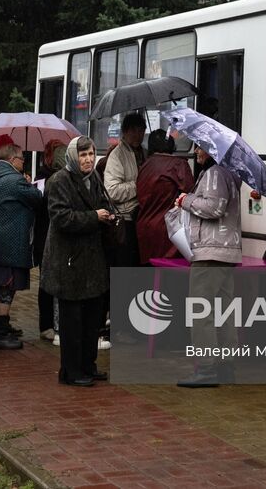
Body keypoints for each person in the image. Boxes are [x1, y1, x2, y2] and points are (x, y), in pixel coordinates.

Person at [41, 136, 114, 386]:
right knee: (73, 321)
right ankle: (71, 372)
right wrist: (94, 217)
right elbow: (61, 218)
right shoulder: (60, 180)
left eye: (91, 154)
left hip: (91, 260)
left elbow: (102, 205)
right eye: (83, 155)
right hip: (68, 261)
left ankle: (88, 365)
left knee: (92, 318)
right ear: (74, 156)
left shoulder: (94, 178)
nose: (88, 159)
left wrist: (109, 216)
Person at [174, 142, 243, 388]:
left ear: (212, 150)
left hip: (210, 251)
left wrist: (186, 200)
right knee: (224, 312)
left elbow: (214, 207)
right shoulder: (230, 174)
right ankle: (226, 367)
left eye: (200, 147)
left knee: (201, 311)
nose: (196, 151)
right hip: (227, 251)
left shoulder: (214, 173)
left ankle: (206, 369)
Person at [0, 142, 41, 350]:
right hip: (10, 245)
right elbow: (37, 198)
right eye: (23, 159)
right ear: (13, 160)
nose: (24, 163)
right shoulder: (15, 181)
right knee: (6, 288)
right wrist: (28, 184)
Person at [135, 130, 195, 264]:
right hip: (167, 231)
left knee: (150, 274)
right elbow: (191, 195)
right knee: (167, 275)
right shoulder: (178, 165)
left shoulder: (144, 165)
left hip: (144, 228)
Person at [103, 113, 146, 270]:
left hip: (142, 217)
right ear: (124, 132)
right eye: (133, 131)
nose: (138, 135)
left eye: (141, 131)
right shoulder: (117, 155)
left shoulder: (145, 153)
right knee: (125, 265)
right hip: (126, 220)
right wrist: (138, 185)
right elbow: (112, 191)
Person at [32, 140, 65, 341]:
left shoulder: (49, 176)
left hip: (51, 235)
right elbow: (40, 203)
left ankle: (54, 323)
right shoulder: (44, 177)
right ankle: (46, 325)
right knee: (46, 282)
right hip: (45, 237)